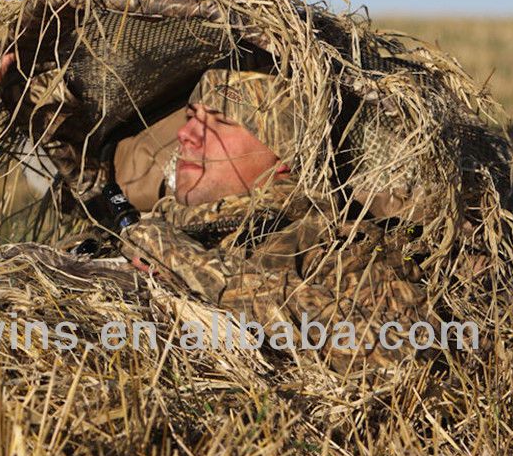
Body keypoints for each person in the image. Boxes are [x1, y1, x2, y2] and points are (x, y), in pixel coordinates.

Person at [119, 68, 438, 370]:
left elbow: (393, 353)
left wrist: (187, 264)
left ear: (282, 151)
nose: (186, 133)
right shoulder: (155, 223)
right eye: (191, 118)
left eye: (219, 121)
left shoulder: (329, 242)